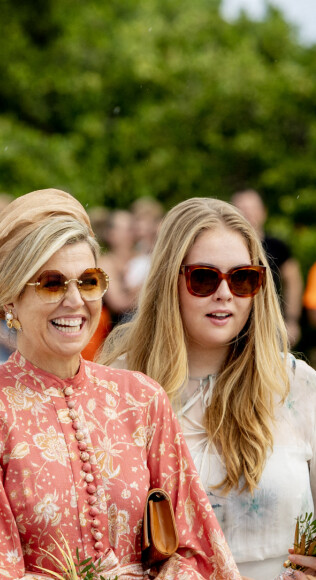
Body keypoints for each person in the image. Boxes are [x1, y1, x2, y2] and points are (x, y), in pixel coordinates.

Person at [0, 188, 240, 579]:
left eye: (89, 281)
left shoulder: (140, 397)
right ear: (10, 298)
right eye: (51, 283)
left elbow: (195, 547)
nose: (75, 300)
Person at [99, 197, 316, 580]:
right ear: (170, 279)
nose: (225, 293)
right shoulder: (115, 387)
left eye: (242, 278)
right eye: (203, 277)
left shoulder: (297, 386)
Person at [231, 189, 303, 347]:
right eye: (241, 209)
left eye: (252, 208)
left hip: (270, 323)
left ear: (263, 212)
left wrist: (291, 320)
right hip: (232, 323)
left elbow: (294, 282)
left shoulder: (277, 247)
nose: (247, 213)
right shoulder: (225, 247)